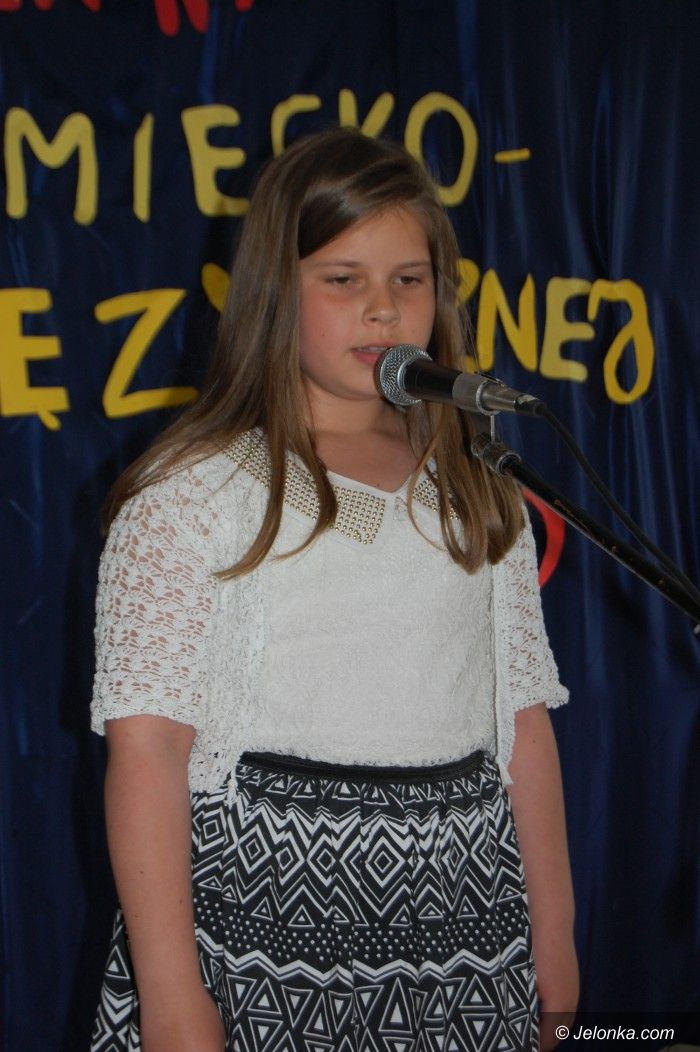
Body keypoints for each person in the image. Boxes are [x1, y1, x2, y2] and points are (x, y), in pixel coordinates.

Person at [90, 127, 579, 1052]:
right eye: (343, 279)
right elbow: (147, 753)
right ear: (277, 293)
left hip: (465, 920)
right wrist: (172, 993)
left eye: (409, 279)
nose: (384, 309)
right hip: (260, 930)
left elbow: (522, 721)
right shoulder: (192, 495)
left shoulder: (477, 485)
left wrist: (553, 935)